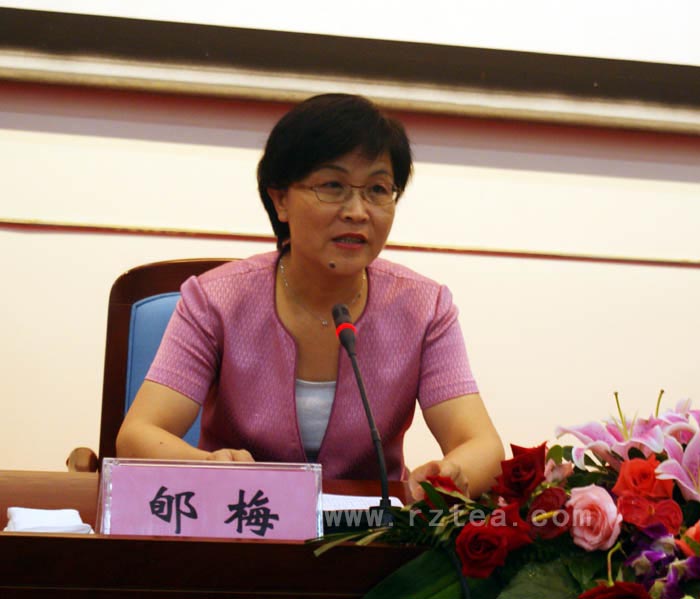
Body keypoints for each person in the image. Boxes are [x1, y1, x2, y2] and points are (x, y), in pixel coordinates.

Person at [116, 93, 504, 500]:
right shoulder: (216, 300)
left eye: (377, 189)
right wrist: (211, 467)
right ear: (280, 199)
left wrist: (449, 475)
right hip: (241, 519)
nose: (357, 211)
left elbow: (482, 446)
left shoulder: (424, 308)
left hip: (369, 530)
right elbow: (139, 435)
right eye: (333, 186)